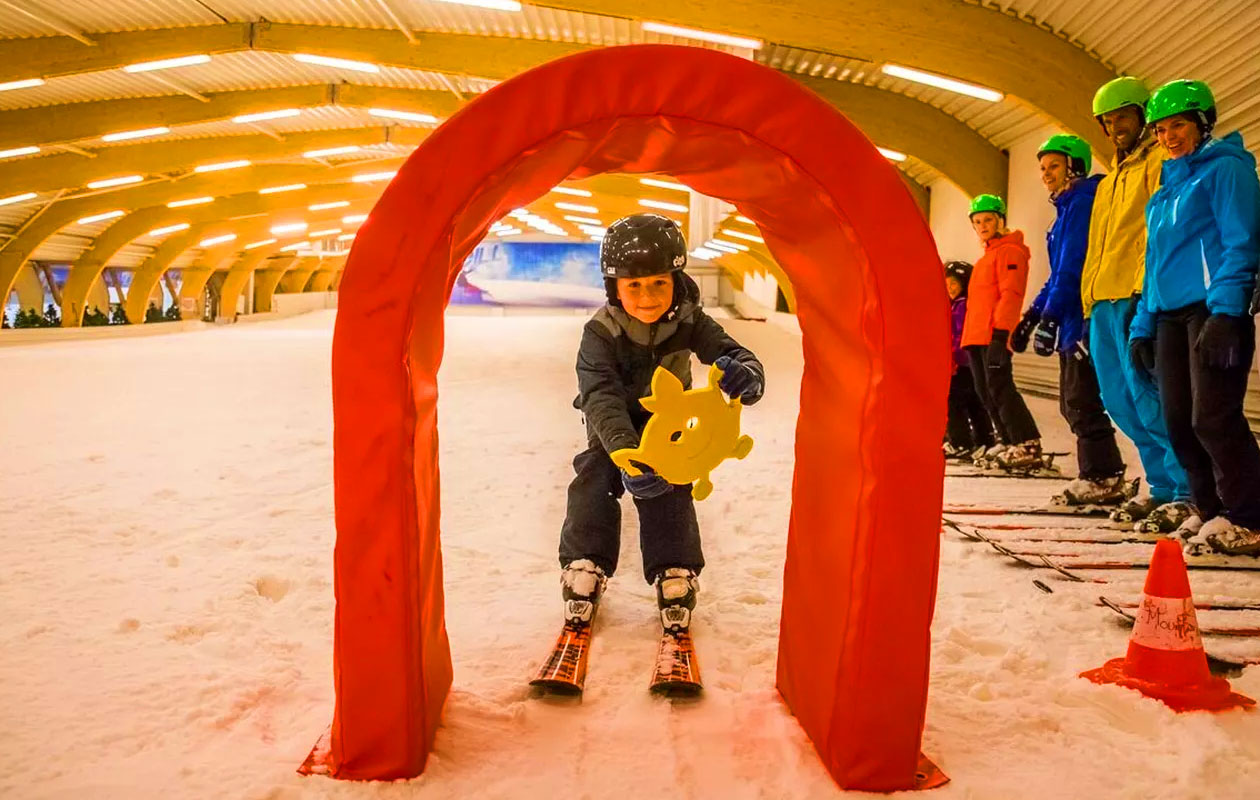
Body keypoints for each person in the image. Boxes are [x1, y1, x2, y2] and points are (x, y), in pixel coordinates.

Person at [557, 213, 766, 630]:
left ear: (676, 280)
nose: (648, 296)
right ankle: (586, 561)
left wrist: (748, 373)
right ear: (614, 288)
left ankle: (674, 567)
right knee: (595, 475)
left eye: (658, 283)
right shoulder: (599, 332)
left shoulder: (689, 321)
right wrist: (623, 450)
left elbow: (732, 351)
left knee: (671, 483)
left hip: (669, 420)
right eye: (634, 285)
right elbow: (600, 394)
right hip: (611, 423)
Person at [1128, 80, 1260, 555]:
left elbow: (1240, 241)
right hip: (1167, 316)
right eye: (1161, 129)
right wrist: (1143, 324)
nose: (1169, 136)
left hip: (1212, 308)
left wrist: (1227, 312)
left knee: (1214, 418)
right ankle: (1210, 510)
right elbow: (1154, 262)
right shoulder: (1164, 192)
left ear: (1203, 123)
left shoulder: (1227, 171)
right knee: (1178, 420)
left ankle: (1251, 516)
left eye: (1179, 125)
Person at [1080, 76, 1193, 530]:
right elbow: (1096, 244)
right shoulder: (1107, 182)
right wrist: (1086, 298)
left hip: (1135, 293)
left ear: (1143, 115)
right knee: (1118, 400)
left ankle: (1186, 489)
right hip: (1102, 300)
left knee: (1150, 396)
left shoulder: (1156, 163)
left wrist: (1149, 289)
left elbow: (1160, 228)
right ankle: (1160, 486)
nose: (1115, 128)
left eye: (1122, 117)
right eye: (1107, 122)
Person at [1011, 134, 1127, 504]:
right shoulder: (1064, 210)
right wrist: (1032, 315)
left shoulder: (1081, 202)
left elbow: (1073, 268)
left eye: (1054, 166)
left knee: (1081, 399)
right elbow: (1056, 272)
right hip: (1070, 317)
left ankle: (1103, 476)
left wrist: (1050, 317)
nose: (1046, 174)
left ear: (1074, 165)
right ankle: (1099, 472)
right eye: (1043, 169)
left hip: (1083, 316)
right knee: (1072, 401)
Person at [961, 194, 1042, 469]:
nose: (983, 225)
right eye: (978, 221)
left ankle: (1026, 442)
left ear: (1000, 220)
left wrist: (1000, 333)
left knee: (1000, 388)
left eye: (988, 220)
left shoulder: (1010, 252)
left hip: (993, 333)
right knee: (985, 391)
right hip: (976, 335)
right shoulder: (987, 256)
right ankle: (1008, 441)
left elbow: (1011, 294)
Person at [943, 260, 996, 459]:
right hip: (970, 362)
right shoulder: (960, 305)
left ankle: (960, 440)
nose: (950, 289)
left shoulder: (961, 307)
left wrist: (953, 358)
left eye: (954, 284)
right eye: (947, 284)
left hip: (960, 363)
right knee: (975, 401)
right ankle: (984, 438)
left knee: (954, 402)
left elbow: (957, 335)